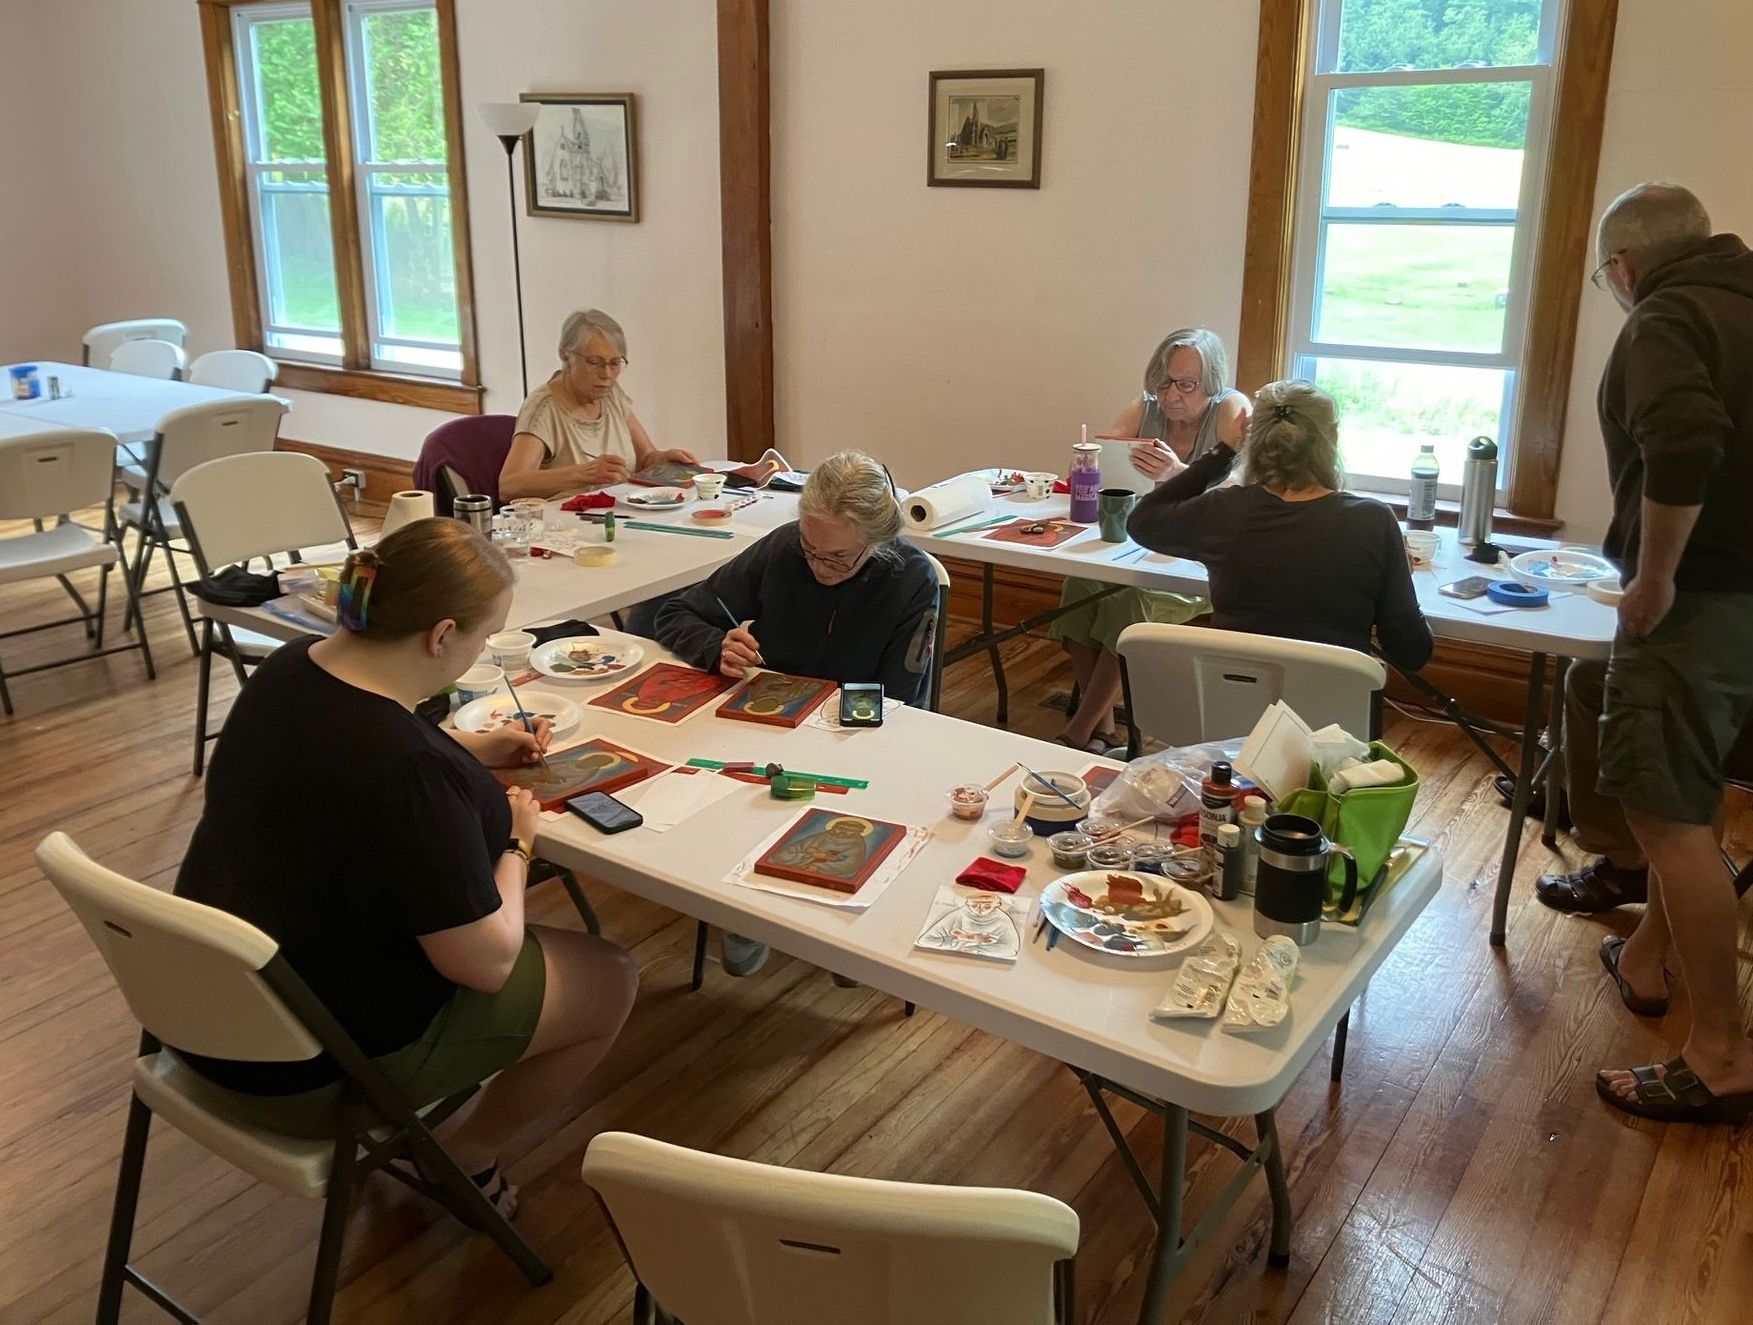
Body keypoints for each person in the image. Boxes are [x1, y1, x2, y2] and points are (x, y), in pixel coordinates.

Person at [173, 519, 639, 1215]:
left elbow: (359, 749)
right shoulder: (406, 772)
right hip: (304, 1071)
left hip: (206, 1010)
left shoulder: (292, 668)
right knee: (610, 976)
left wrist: (471, 750)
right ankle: (464, 1155)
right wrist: (517, 845)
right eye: (485, 637)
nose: (483, 649)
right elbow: (485, 963)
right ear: (442, 635)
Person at [1576, 184, 1753, 1125]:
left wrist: (1653, 578)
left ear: (1623, 266)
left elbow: (1682, 442)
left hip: (1701, 606)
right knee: (1695, 794)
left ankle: (1720, 1053)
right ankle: (1646, 957)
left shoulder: (1664, 319)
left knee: (1665, 817)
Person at [655, 450, 937, 975]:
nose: (819, 567)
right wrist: (717, 646)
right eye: (811, 550)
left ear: (877, 543)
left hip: (858, 736)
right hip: (763, 725)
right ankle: (747, 906)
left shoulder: (910, 578)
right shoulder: (784, 547)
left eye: (838, 558)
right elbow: (677, 612)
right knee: (712, 793)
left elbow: (898, 700)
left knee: (828, 815)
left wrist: (817, 728)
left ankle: (840, 920)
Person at [1126, 379, 1433, 677]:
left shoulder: (1225, 511)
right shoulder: (1372, 521)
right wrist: (1397, 575)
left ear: (1253, 438)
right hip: (1333, 708)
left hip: (1234, 705)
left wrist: (1225, 449)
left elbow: (1142, 521)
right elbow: (1411, 652)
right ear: (1332, 437)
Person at [1051, 329, 1250, 752]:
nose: (1171, 395)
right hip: (1141, 542)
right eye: (1163, 382)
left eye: (1187, 385)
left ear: (1212, 383)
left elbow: (1237, 494)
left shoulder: (1231, 411)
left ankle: (1079, 731)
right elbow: (1104, 455)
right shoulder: (1144, 408)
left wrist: (1178, 474)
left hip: (1198, 558)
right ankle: (1104, 725)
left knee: (1130, 599)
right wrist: (1088, 461)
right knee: (1079, 586)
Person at [499, 308, 699, 500]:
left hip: (620, 512)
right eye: (594, 362)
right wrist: (584, 474)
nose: (606, 375)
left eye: (615, 363)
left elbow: (646, 457)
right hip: (568, 519)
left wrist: (665, 460)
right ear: (566, 356)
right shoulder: (544, 408)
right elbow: (509, 486)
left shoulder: (610, 394)